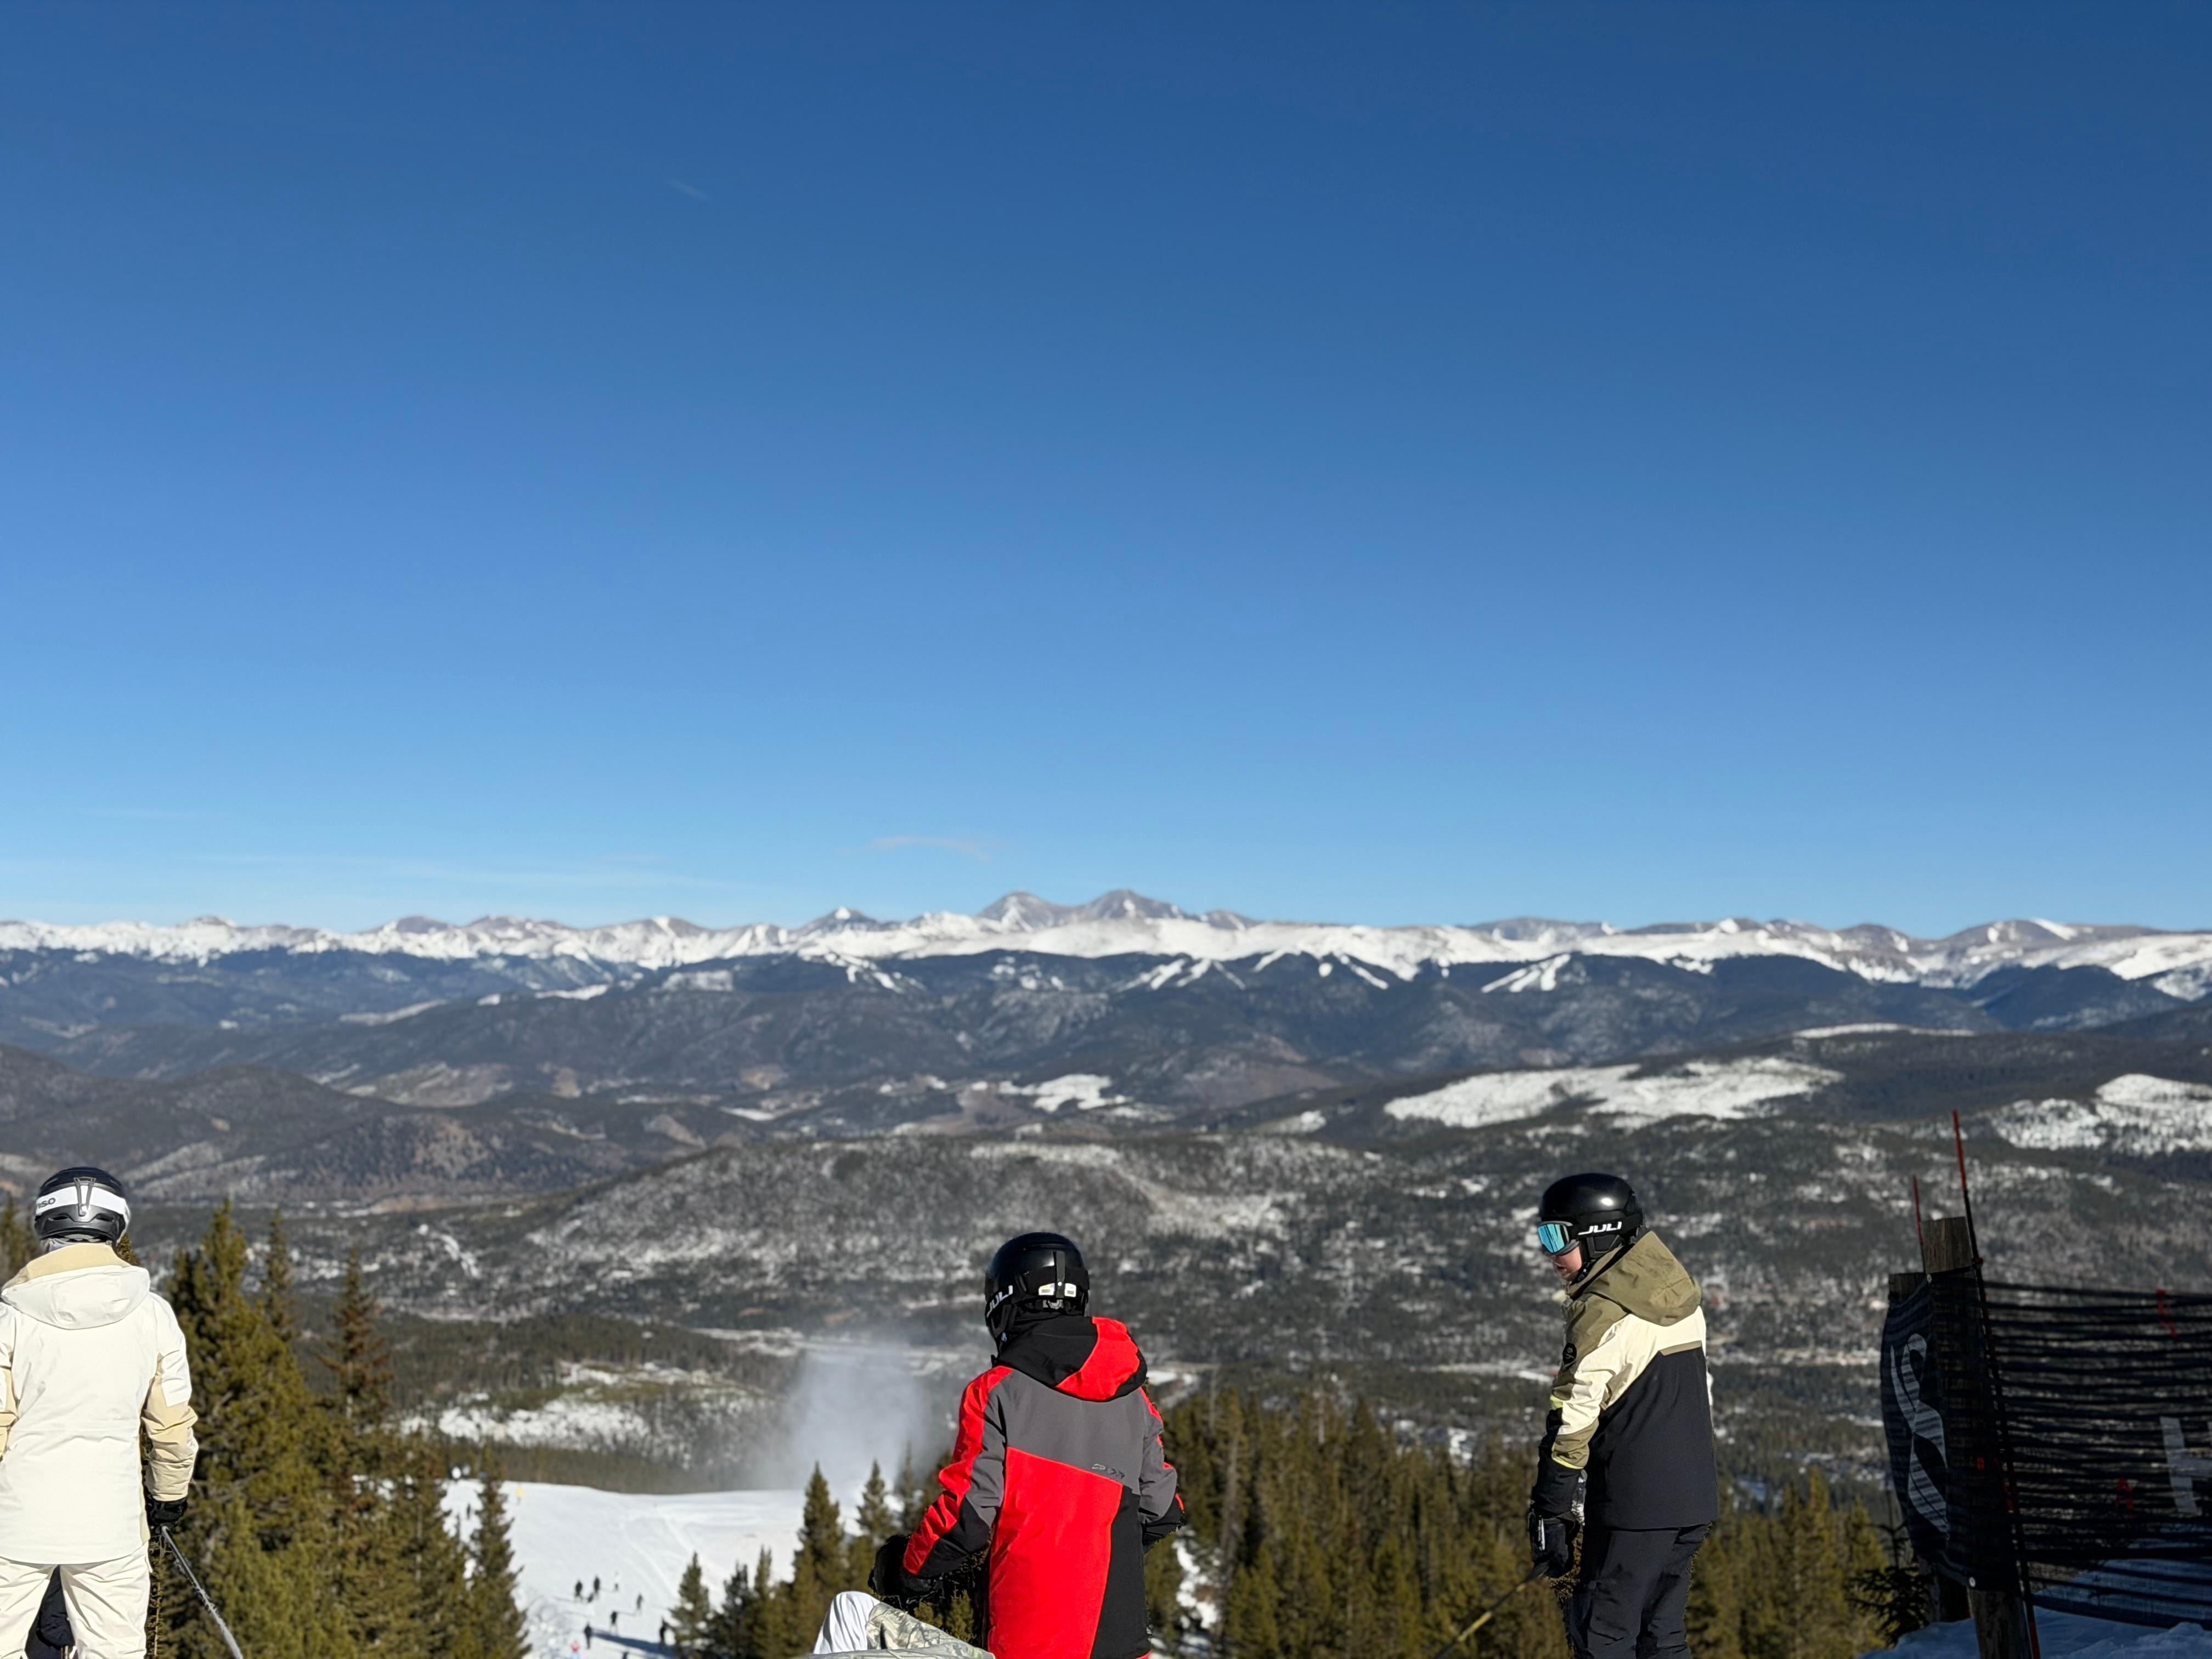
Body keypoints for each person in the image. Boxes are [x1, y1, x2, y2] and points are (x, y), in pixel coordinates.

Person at [873, 1232, 1184, 1659]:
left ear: (1004, 1304)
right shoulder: (1134, 1400)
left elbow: (967, 1517)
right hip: (1121, 1637)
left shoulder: (996, 1393)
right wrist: (1097, 1549)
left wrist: (908, 1571)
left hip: (1031, 1636)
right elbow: (1163, 1510)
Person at [0, 1167, 199, 1659]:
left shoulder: (11, 1317)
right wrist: (167, 1495)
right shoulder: (153, 1315)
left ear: (44, 1223)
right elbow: (172, 1428)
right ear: (117, 1225)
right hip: (111, 1520)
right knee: (114, 1650)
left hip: (16, 1518)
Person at [1527, 1173, 1718, 1659]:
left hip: (1635, 1505)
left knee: (1602, 1636)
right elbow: (1701, 1395)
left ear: (1598, 1235)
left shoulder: (1604, 1312)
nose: (1549, 1254)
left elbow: (1572, 1418)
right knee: (1661, 1637)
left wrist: (1552, 1509)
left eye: (1556, 1236)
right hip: (1692, 1496)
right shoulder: (1680, 1297)